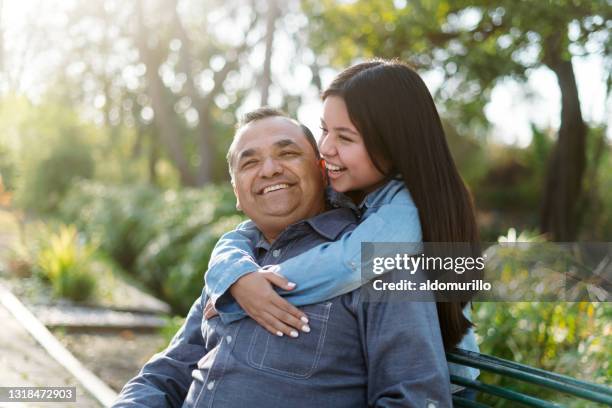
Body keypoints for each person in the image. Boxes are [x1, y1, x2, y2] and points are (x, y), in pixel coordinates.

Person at [112, 108, 452, 407]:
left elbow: (417, 398)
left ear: (324, 171)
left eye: (287, 153)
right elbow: (169, 371)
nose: (270, 169)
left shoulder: (379, 261)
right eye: (250, 162)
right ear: (237, 193)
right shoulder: (236, 265)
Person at [203, 59, 481, 395]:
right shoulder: (349, 186)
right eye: (324, 130)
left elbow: (350, 261)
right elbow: (245, 231)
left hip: (448, 385)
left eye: (345, 138)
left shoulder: (406, 211)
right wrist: (234, 272)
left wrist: (262, 290)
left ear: (392, 146)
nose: (325, 148)